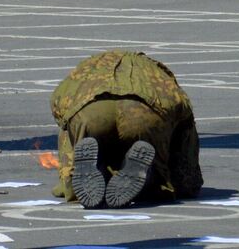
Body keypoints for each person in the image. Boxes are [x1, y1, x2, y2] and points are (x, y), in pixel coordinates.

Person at [50, 50, 203, 209]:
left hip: (90, 108)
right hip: (144, 109)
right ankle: (149, 177)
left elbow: (61, 110)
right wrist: (186, 182)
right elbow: (184, 131)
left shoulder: (86, 69)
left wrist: (66, 178)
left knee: (70, 129)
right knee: (159, 175)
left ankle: (91, 172)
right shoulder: (157, 73)